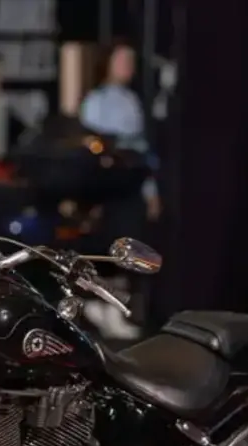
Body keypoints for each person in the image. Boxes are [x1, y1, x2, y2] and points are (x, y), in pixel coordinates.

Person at [79, 40, 159, 340]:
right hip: (108, 188)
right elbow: (89, 151)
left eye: (131, 61)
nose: (128, 67)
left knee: (132, 248)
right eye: (122, 60)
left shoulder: (132, 100)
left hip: (132, 186)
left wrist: (151, 191)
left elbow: (144, 151)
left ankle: (120, 308)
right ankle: (103, 307)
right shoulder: (96, 101)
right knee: (109, 247)